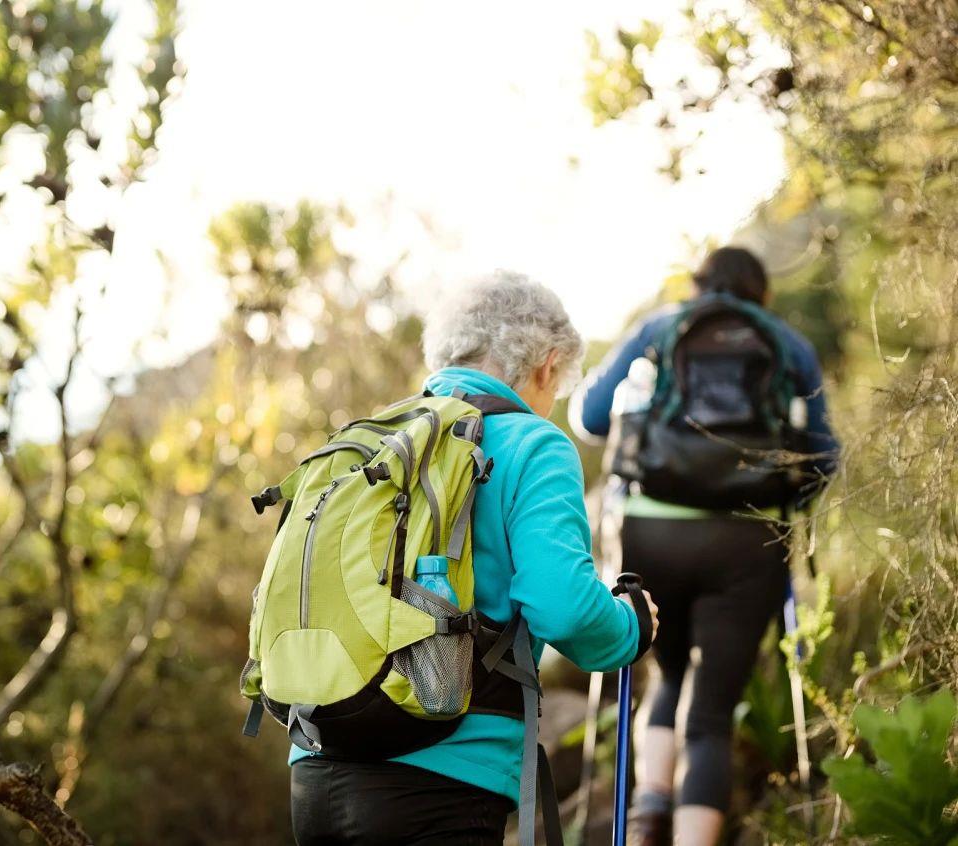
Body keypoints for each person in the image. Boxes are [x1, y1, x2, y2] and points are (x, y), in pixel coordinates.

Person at [290, 271, 659, 845]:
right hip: (442, 779)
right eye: (556, 383)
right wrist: (631, 627)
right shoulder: (531, 444)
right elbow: (565, 609)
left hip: (316, 767)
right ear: (547, 363)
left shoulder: (375, 440)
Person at [569, 246, 839, 846]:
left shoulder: (661, 327)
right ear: (761, 293)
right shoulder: (786, 343)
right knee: (711, 713)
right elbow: (824, 457)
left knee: (666, 676)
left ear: (700, 286)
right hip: (748, 537)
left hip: (650, 531)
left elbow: (588, 417)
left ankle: (646, 822)